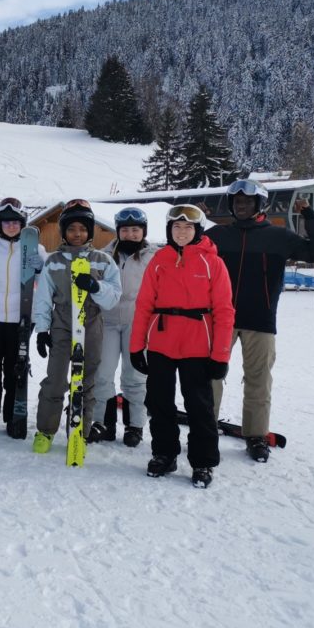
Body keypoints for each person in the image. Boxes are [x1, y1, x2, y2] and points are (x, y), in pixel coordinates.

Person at [206, 180, 314, 462]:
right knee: (211, 376)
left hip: (260, 320)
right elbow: (185, 248)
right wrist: (197, 221)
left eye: (247, 202)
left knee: (258, 380)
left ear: (259, 205)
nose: (241, 205)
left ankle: (256, 435)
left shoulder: (279, 237)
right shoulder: (217, 235)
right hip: (220, 319)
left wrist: (309, 217)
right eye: (237, 202)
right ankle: (206, 429)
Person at [130, 204, 235, 487]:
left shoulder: (213, 263)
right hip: (162, 342)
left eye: (188, 227)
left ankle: (202, 462)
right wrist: (136, 347)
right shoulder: (159, 260)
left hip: (199, 345)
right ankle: (164, 453)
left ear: (197, 230)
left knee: (200, 407)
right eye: (176, 227)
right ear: (169, 229)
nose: (182, 232)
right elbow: (143, 306)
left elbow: (225, 311)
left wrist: (221, 355)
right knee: (159, 402)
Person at [31, 199, 121, 453]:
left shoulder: (103, 261)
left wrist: (95, 286)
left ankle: (78, 431)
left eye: (83, 229)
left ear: (90, 231)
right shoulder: (54, 261)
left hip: (91, 324)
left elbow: (113, 298)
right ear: (64, 232)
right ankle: (45, 431)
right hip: (61, 324)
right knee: (55, 380)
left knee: (84, 382)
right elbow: (43, 298)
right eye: (71, 229)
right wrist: (42, 330)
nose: (77, 234)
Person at [0, 198, 46, 436]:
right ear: (0, 225)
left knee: (15, 370)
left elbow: (42, 286)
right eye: (6, 223)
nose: (11, 226)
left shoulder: (37, 249)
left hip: (19, 319)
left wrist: (40, 268)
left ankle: (13, 414)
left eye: (15, 222)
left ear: (22, 223)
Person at [91, 207, 158, 447]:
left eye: (135, 230)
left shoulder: (154, 256)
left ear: (143, 232)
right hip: (107, 321)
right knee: (102, 374)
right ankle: (103, 423)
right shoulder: (102, 255)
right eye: (125, 230)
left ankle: (134, 426)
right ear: (118, 231)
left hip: (136, 322)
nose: (130, 234)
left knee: (135, 376)